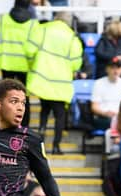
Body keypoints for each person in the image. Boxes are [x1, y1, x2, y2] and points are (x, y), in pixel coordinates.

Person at [25, 12, 82, 154]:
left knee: (44, 110)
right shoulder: (72, 38)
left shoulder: (43, 29)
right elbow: (76, 64)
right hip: (61, 83)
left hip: (43, 79)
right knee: (60, 115)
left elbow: (29, 50)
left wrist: (33, 65)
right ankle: (56, 145)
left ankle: (41, 137)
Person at [0, 0, 36, 127]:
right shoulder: (33, 24)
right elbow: (34, 46)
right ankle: (24, 124)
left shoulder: (3, 20)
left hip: (6, 62)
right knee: (23, 98)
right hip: (25, 65)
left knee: (6, 96)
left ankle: (5, 121)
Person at [91, 59, 121, 131]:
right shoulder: (98, 83)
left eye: (118, 68)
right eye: (113, 68)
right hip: (103, 117)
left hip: (120, 117)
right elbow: (94, 107)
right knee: (117, 123)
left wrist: (120, 114)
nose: (116, 71)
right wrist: (105, 113)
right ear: (107, 69)